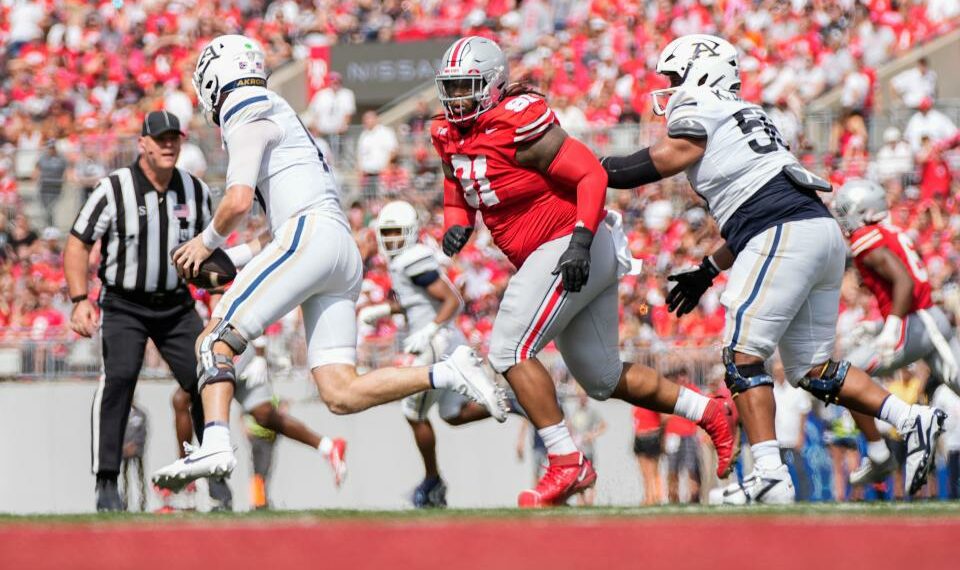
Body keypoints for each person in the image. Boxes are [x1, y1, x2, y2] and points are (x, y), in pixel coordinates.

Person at [601, 34, 945, 504]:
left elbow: (655, 164)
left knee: (743, 354)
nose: (672, 87)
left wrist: (588, 167)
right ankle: (911, 419)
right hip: (815, 231)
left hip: (784, 231)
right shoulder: (749, 113)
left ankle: (768, 473)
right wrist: (707, 268)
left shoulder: (703, 104)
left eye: (676, 77)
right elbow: (754, 205)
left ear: (703, 74)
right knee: (814, 368)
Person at [153, 35, 506, 491]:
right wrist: (233, 257)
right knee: (340, 392)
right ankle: (449, 371)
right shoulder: (280, 112)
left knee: (214, 341)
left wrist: (206, 242)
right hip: (333, 247)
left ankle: (216, 443)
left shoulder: (243, 104)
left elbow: (239, 201)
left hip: (310, 235)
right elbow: (275, 236)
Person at [432, 35, 736, 508]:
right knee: (601, 376)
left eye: (465, 87)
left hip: (573, 242)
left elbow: (591, 174)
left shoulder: (518, 121)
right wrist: (457, 224)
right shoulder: (450, 134)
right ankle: (709, 411)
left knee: (509, 346)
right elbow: (458, 183)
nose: (456, 99)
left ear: (491, 85)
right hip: (566, 249)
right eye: (450, 88)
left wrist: (578, 242)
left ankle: (565, 460)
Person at [64, 110, 212, 512]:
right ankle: (106, 482)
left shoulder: (196, 192)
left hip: (177, 304)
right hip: (125, 303)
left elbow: (209, 251)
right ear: (143, 143)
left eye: (174, 138)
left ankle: (213, 473)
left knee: (206, 379)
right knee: (120, 379)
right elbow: (78, 242)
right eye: (160, 139)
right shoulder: (114, 189)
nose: (168, 145)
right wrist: (80, 301)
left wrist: (214, 286)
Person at [360, 200, 496, 508]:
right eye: (388, 232)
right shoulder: (403, 260)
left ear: (409, 233)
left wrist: (430, 329)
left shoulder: (411, 259)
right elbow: (418, 302)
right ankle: (514, 402)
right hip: (444, 339)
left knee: (413, 413)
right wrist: (384, 309)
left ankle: (433, 482)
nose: (392, 239)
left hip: (438, 343)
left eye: (397, 232)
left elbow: (452, 300)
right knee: (451, 415)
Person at [830, 179, 960, 490]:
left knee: (844, 376)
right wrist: (879, 325)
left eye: (847, 211)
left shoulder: (866, 237)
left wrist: (891, 325)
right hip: (921, 321)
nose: (843, 219)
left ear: (864, 211)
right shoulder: (888, 233)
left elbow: (905, 282)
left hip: (921, 324)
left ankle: (879, 453)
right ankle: (879, 452)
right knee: (845, 376)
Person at [772, 360, 812, 501]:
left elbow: (803, 412)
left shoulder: (797, 390)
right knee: (778, 472)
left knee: (799, 470)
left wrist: (801, 435)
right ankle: (781, 498)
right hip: (777, 438)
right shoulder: (772, 390)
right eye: (776, 371)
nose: (779, 374)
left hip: (793, 438)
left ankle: (803, 498)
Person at [566, 388, 606, 506]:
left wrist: (592, 435)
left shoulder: (592, 412)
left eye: (584, 396)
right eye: (580, 396)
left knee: (591, 476)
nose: (582, 399)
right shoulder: (574, 412)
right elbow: (571, 429)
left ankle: (590, 500)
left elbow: (603, 426)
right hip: (578, 451)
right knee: (579, 477)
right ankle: (581, 501)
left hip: (588, 450)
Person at [355, 111, 398, 199]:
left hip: (382, 174)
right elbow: (360, 154)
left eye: (368, 119)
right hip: (368, 175)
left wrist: (386, 167)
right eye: (365, 119)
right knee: (368, 200)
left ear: (376, 119)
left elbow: (393, 151)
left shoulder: (386, 132)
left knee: (383, 198)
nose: (366, 121)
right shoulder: (363, 135)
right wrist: (360, 171)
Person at [632, 405, 663, 506]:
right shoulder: (636, 404)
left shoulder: (653, 400)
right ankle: (648, 496)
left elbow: (665, 417)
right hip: (639, 437)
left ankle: (655, 497)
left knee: (653, 471)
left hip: (652, 435)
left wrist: (660, 432)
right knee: (644, 473)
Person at [120, 402, 148, 512]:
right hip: (124, 452)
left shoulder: (140, 414)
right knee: (125, 478)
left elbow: (143, 432)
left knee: (140, 477)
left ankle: (142, 502)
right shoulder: (121, 414)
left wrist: (136, 445)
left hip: (137, 452)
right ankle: (125, 502)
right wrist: (123, 447)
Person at [35, 140, 68, 226]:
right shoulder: (42, 157)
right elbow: (37, 168)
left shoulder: (61, 158)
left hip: (56, 187)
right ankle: (48, 226)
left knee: (53, 208)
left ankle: (53, 226)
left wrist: (65, 179)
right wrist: (36, 177)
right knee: (45, 209)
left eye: (52, 148)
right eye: (49, 148)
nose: (51, 150)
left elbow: (66, 170)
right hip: (44, 186)